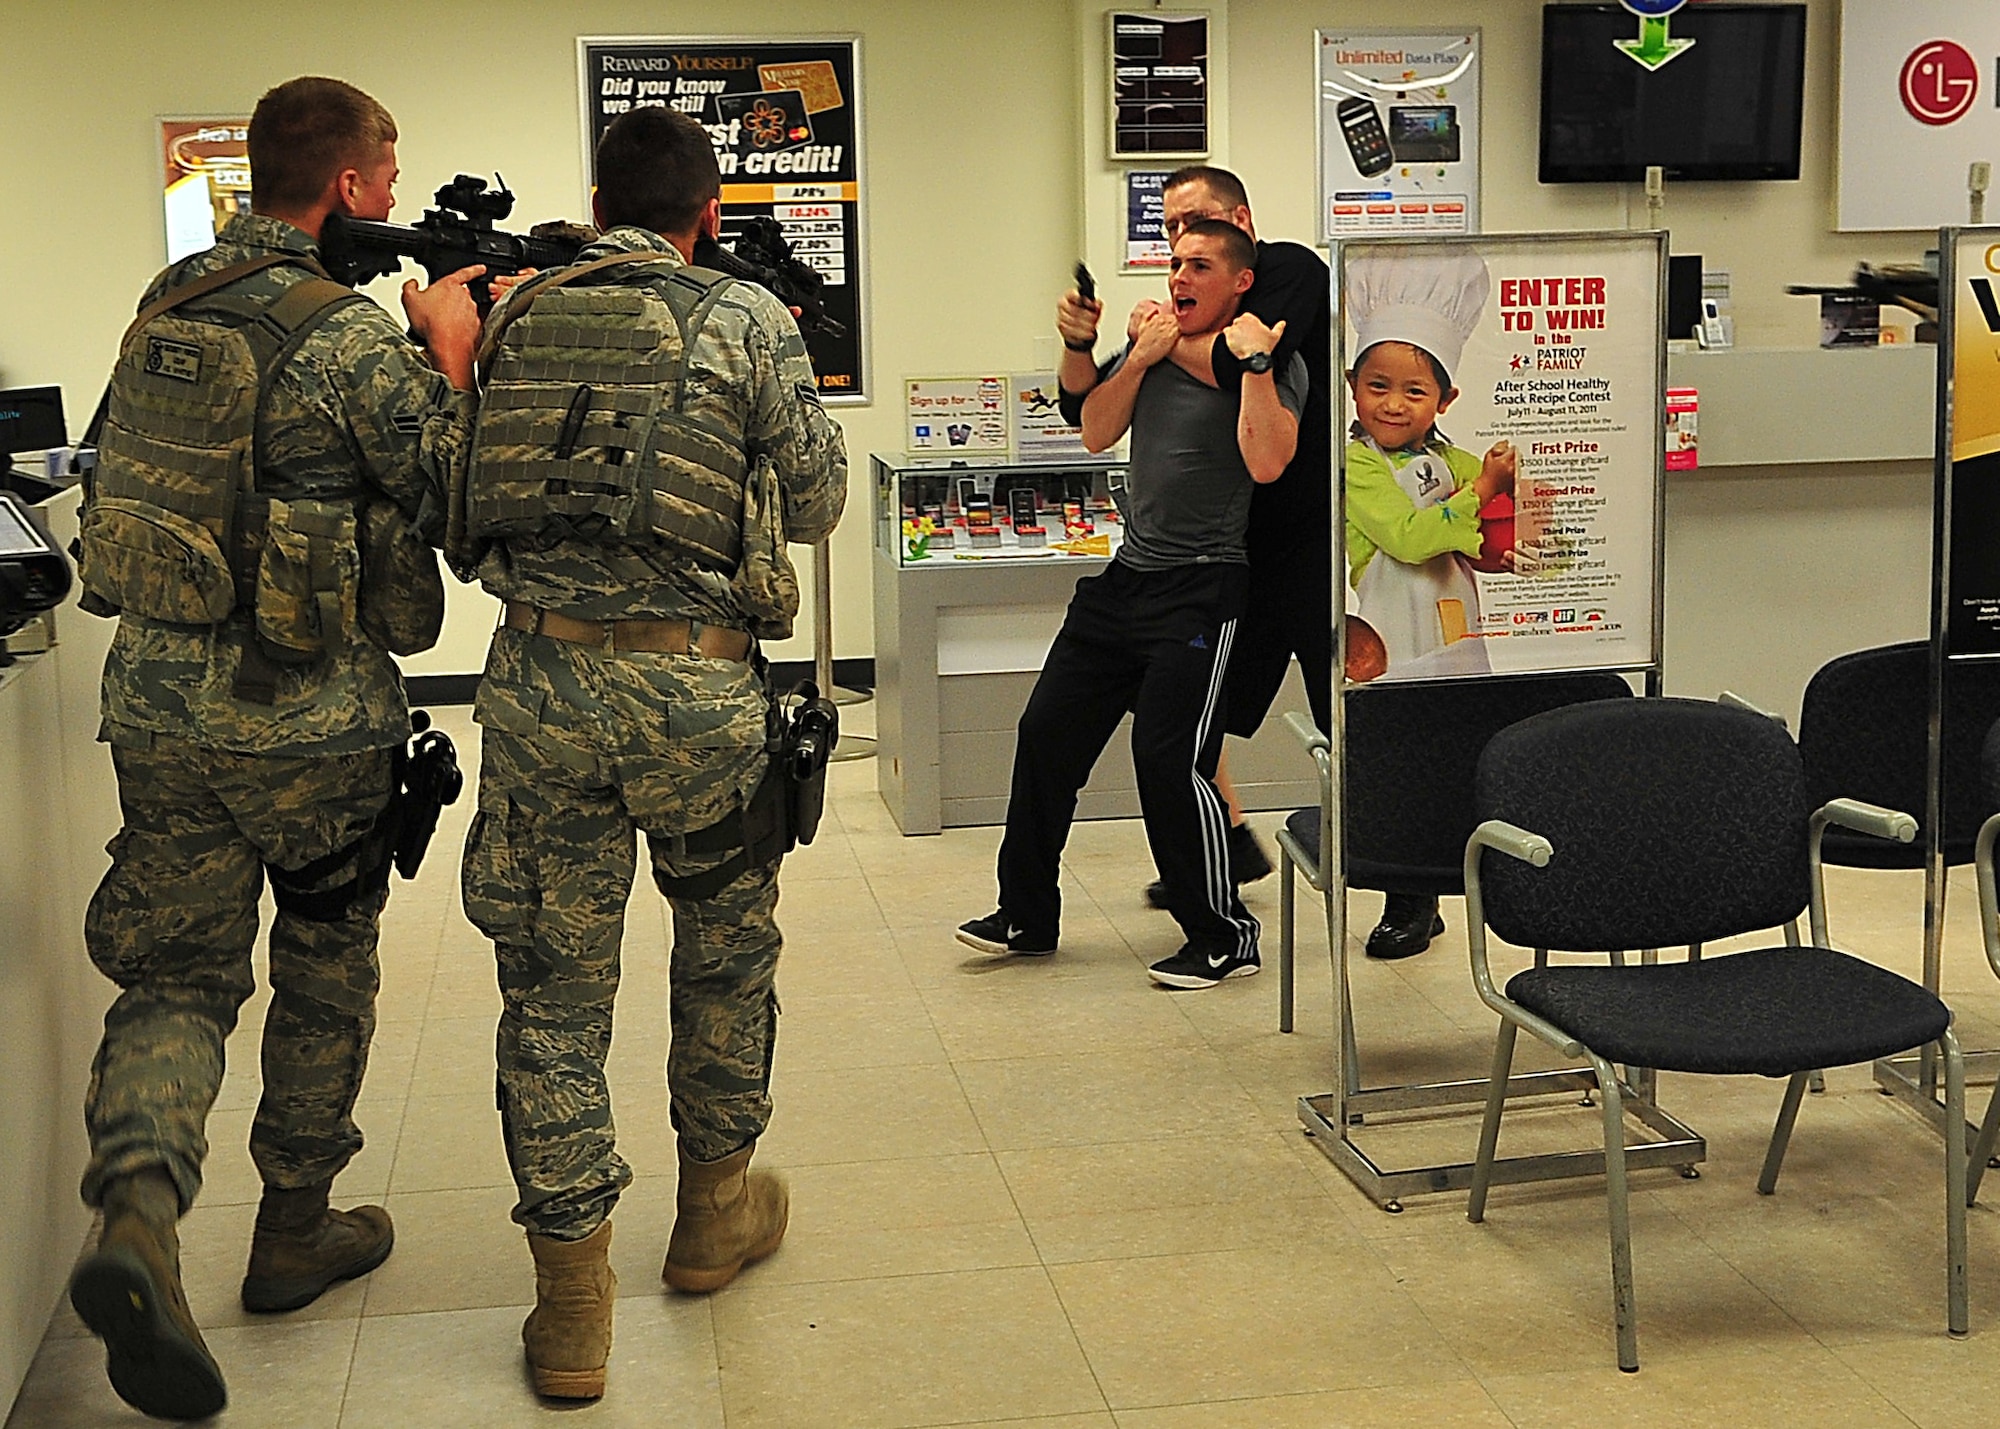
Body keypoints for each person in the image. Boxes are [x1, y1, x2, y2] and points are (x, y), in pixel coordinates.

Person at [66, 76, 483, 1421]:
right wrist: (450, 350)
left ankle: (136, 1211)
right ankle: (293, 1226)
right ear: (356, 184)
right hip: (302, 716)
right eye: (388, 170)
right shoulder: (348, 336)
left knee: (176, 979)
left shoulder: (163, 305)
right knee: (320, 959)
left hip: (157, 703)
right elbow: (452, 489)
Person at [457, 105, 846, 1401]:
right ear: (710, 208)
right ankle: (711, 1215)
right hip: (696, 687)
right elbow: (817, 497)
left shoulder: (516, 313)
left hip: (536, 677)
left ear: (596, 196)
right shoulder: (744, 317)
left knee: (553, 987)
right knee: (725, 949)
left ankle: (572, 1308)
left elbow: (464, 490)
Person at [960, 220, 1304, 989]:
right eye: (1175, 262)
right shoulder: (1152, 347)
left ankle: (1224, 934)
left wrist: (1253, 365)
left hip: (1205, 584)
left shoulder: (1268, 358)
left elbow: (1269, 457)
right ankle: (1026, 913)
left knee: (1168, 757)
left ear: (1240, 280)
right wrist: (1118, 353)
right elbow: (1092, 427)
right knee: (1045, 732)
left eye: (1200, 265)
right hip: (1125, 582)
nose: (1180, 276)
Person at [1055, 165, 1330, 911]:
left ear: (1240, 223)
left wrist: (1158, 339)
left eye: (1198, 232)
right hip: (1219, 555)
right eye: (1172, 235)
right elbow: (1083, 405)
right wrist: (1093, 344)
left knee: (1343, 709)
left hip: (1306, 539)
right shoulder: (1175, 318)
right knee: (1182, 718)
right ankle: (1221, 843)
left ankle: (1405, 887)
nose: (1182, 249)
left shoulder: (1290, 271)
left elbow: (1234, 360)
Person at [1342, 250, 1517, 957]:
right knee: (1400, 761)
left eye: (1413, 391)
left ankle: (1454, 886)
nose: (1391, 403)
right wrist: (1480, 495)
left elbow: (1493, 535)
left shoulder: (1455, 458)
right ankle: (1404, 897)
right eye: (1376, 385)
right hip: (1390, 633)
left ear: (1444, 401)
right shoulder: (1355, 463)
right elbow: (1412, 540)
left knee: (1457, 752)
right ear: (1352, 386)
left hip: (1457, 628)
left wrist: (1506, 532)